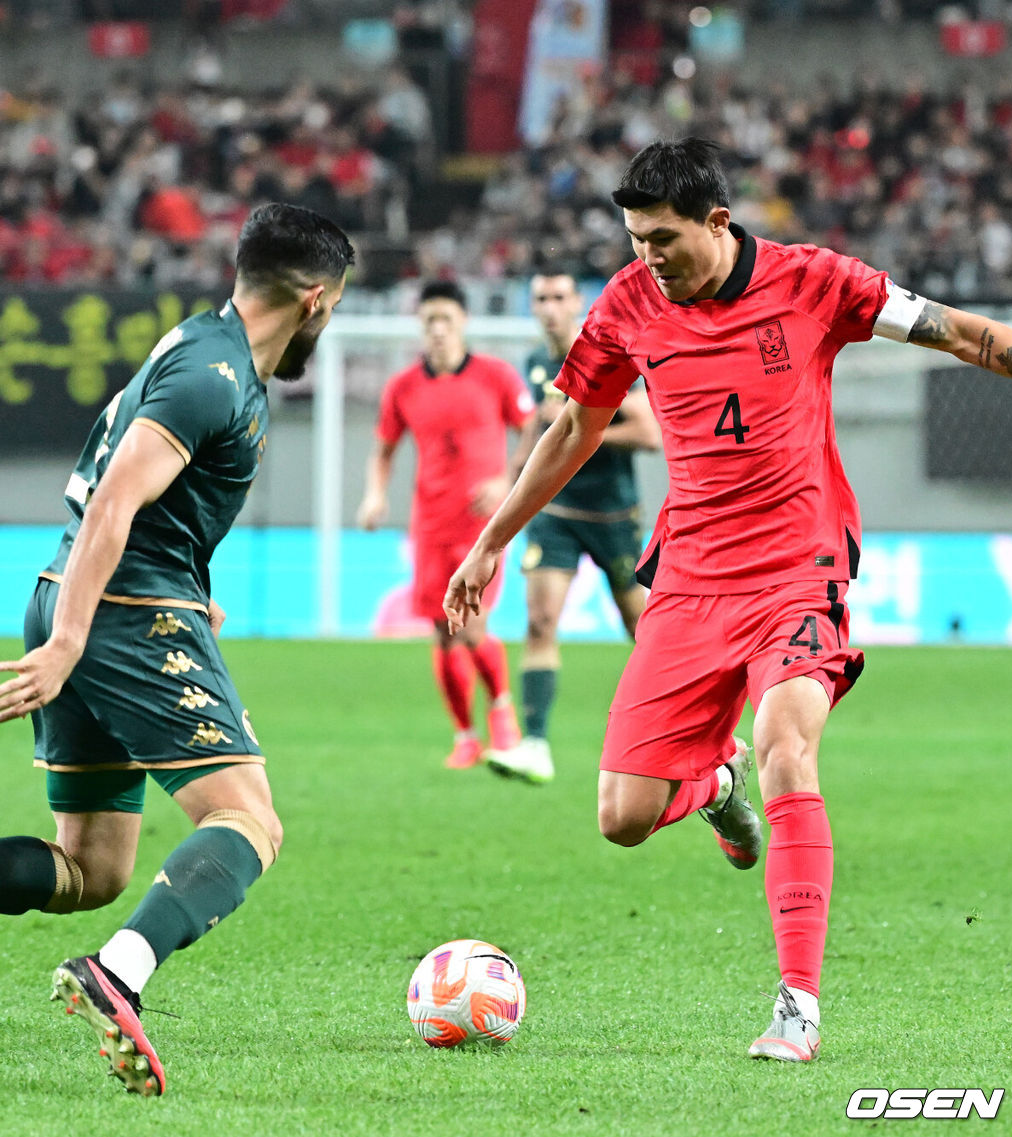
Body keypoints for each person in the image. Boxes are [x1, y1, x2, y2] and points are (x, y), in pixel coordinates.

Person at [444, 137, 1012, 1062]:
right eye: (635, 239)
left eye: (663, 238)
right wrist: (490, 541)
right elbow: (576, 427)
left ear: (719, 220)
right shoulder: (628, 304)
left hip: (799, 569)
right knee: (622, 818)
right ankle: (714, 785)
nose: (648, 257)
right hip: (691, 578)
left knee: (789, 749)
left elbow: (964, 334)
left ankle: (797, 1005)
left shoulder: (817, 283)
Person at [0, 202, 355, 1096]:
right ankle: (117, 974)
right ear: (316, 298)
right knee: (248, 820)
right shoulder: (214, 374)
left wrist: (186, 593)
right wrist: (75, 642)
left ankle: (111, 950)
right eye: (338, 305)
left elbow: (150, 505)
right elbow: (117, 499)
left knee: (92, 869)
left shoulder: (204, 348)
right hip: (118, 611)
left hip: (90, 593)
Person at [492, 269, 661, 785]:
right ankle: (536, 744)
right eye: (539, 297)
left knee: (646, 632)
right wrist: (513, 477)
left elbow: (648, 433)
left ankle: (677, 733)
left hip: (613, 516)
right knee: (540, 622)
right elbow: (536, 428)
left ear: (577, 302)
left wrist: (579, 426)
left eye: (557, 297)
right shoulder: (536, 363)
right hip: (556, 515)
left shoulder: (608, 354)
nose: (548, 306)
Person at [357, 280, 535, 770]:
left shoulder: (496, 376)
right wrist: (374, 495)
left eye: (446, 320)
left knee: (473, 626)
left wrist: (505, 480)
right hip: (431, 524)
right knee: (443, 632)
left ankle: (503, 713)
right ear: (421, 325)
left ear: (463, 322)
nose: (438, 330)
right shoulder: (404, 387)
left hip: (484, 528)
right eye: (430, 320)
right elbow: (384, 449)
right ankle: (465, 736)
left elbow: (535, 430)